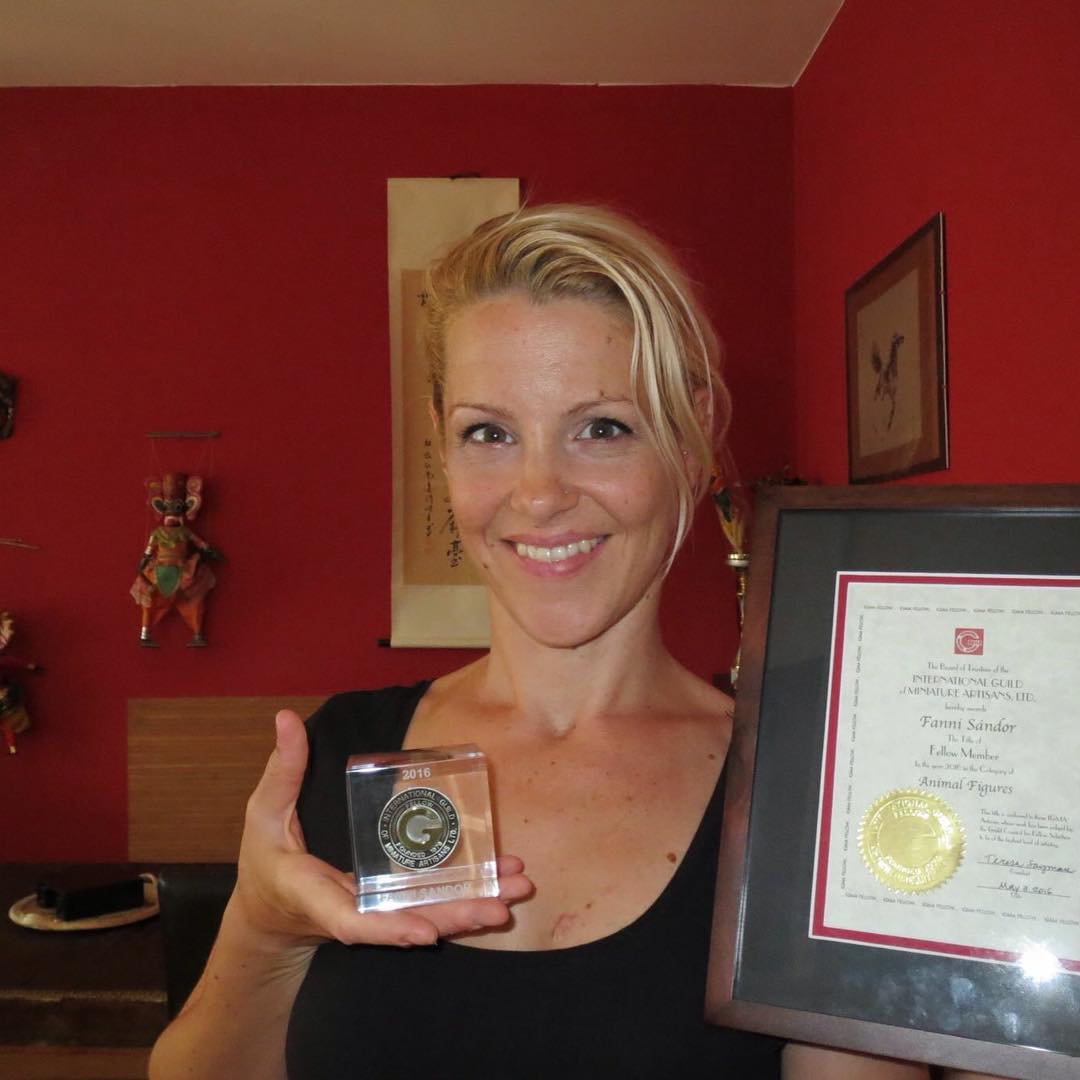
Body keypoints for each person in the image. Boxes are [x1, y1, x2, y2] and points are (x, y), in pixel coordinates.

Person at [150, 206, 966, 1079]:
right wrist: (264, 930)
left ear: (689, 445)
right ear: (442, 446)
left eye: (602, 428)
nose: (539, 493)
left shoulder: (801, 790)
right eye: (489, 433)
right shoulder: (339, 752)